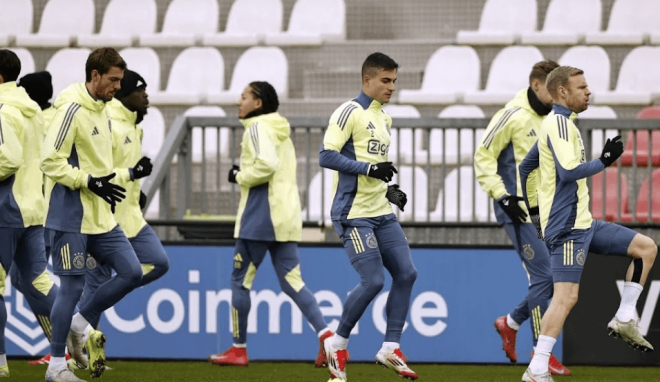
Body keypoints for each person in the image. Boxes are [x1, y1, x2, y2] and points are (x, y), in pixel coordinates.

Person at [519, 66, 657, 382]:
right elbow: (568, 173)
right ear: (562, 92)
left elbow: (527, 168)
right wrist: (604, 162)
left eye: (587, 86)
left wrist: (538, 215)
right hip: (568, 227)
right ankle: (537, 368)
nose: (588, 92)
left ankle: (625, 317)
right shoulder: (560, 125)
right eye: (581, 87)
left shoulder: (557, 124)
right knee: (566, 296)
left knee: (646, 248)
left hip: (583, 223)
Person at [207, 81, 332, 368]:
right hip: (285, 215)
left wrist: (239, 175)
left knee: (240, 281)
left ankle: (238, 349)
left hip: (261, 216)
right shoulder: (279, 130)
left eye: (244, 97)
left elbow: (265, 165)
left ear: (258, 103)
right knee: (292, 282)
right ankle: (328, 338)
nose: (239, 102)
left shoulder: (256, 128)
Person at [41, 47, 144, 381]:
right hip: (71, 214)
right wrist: (88, 181)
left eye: (120, 81)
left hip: (102, 214)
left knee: (132, 272)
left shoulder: (105, 108)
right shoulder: (71, 108)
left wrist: (106, 183)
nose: (117, 87)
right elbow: (50, 160)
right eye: (113, 80)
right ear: (95, 76)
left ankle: (78, 323)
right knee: (71, 288)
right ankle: (56, 366)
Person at [319, 52, 417, 381]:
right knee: (373, 280)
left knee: (406, 274)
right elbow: (326, 155)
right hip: (354, 214)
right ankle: (338, 342)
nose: (392, 87)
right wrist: (369, 168)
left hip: (381, 213)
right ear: (367, 80)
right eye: (386, 81)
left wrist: (388, 185)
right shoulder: (349, 112)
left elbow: (376, 170)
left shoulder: (383, 118)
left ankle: (390, 347)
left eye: (394, 81)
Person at [474, 60, 570, 375]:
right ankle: (539, 351)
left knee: (549, 278)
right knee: (545, 276)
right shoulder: (511, 116)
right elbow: (483, 156)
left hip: (547, 211)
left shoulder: (557, 120)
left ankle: (512, 324)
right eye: (554, 88)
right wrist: (503, 196)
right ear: (536, 85)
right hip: (516, 210)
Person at [78, 69, 169, 331]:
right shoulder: (112, 126)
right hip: (105, 219)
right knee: (96, 284)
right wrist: (132, 174)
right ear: (126, 94)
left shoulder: (132, 125)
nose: (146, 95)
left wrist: (135, 189)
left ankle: (94, 306)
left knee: (159, 263)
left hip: (130, 217)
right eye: (140, 89)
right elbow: (99, 173)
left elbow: (122, 169)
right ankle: (76, 353)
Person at [0, 49, 60, 378]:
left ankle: (0, 363)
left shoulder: (4, 108)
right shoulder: (34, 110)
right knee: (38, 282)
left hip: (6, 210)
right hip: (35, 209)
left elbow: (7, 159)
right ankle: (83, 332)